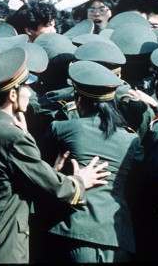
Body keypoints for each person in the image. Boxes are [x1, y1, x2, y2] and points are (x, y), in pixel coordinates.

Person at [0, 47, 111, 263]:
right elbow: (56, 188)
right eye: (27, 87)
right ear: (13, 94)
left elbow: (11, 178)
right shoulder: (11, 137)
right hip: (3, 243)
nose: (30, 93)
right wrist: (80, 181)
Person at [43, 61, 143, 262]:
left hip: (74, 229)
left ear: (78, 99)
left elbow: (43, 171)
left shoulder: (61, 129)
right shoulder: (131, 139)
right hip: (117, 236)